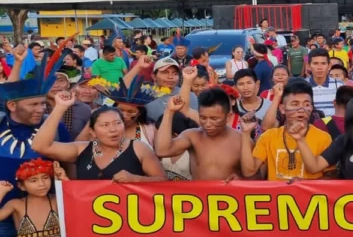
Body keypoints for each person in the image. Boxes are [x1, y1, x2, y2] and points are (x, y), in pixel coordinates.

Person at [33, 92, 165, 182]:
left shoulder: (139, 148)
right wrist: (60, 107)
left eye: (117, 123)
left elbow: (163, 181)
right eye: (105, 125)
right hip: (90, 218)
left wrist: (137, 179)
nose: (113, 130)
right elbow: (40, 146)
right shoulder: (81, 149)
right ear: (92, 132)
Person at [242, 79, 332, 181]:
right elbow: (249, 172)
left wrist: (306, 184)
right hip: (276, 196)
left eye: (306, 104)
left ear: (312, 108)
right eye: (295, 104)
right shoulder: (269, 137)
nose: (301, 110)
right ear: (283, 109)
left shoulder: (323, 137)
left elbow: (331, 175)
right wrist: (245, 134)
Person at [154, 88, 244, 181]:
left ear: (228, 116)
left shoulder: (241, 140)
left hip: (230, 194)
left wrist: (241, 180)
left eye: (214, 119)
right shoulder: (192, 136)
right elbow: (162, 151)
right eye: (203, 118)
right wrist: (169, 111)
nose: (208, 124)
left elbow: (255, 176)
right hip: (198, 195)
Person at [87, 76, 165, 147]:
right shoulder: (102, 129)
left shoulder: (151, 129)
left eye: (131, 112)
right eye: (120, 110)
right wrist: (93, 119)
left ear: (140, 113)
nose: (124, 115)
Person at [306, 48, 343, 117]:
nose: (319, 67)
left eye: (323, 63)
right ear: (308, 66)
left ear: (329, 66)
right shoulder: (302, 86)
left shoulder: (339, 85)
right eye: (315, 63)